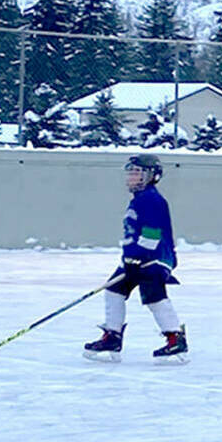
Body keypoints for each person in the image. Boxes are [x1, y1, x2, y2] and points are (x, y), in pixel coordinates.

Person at [83, 154, 187, 363]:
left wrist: (140, 258)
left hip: (154, 258)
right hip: (135, 259)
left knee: (153, 295)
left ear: (152, 176)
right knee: (113, 290)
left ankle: (175, 338)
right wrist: (130, 259)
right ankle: (112, 336)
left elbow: (152, 232)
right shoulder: (139, 199)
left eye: (137, 174)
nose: (132, 178)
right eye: (130, 174)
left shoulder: (152, 199)